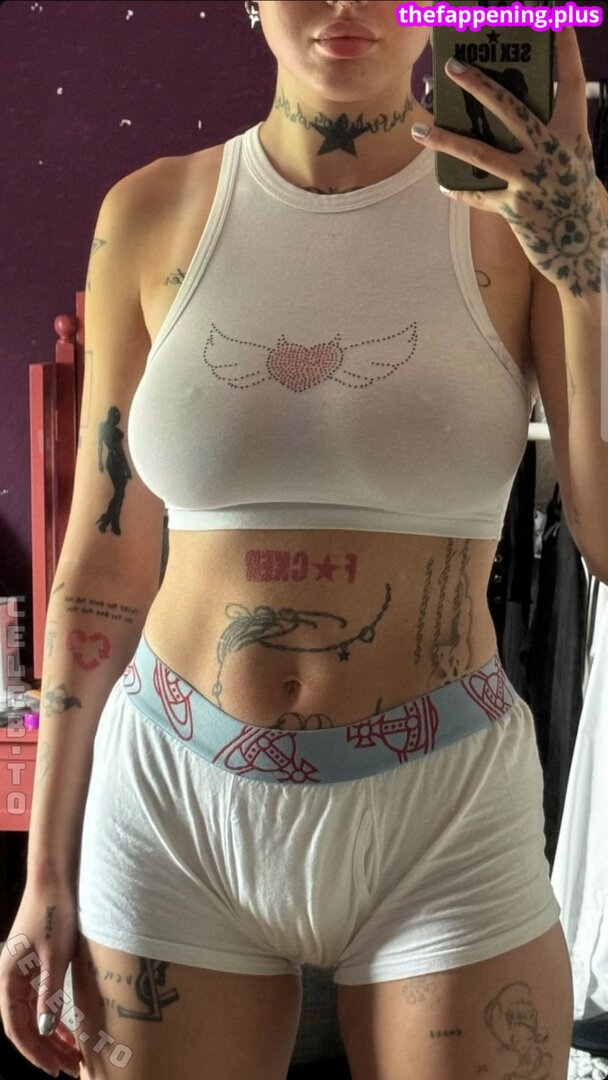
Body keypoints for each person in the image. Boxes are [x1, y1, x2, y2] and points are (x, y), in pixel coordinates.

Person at [2, 1, 607, 1077]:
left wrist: (585, 273)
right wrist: (44, 870)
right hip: (171, 801)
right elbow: (100, 564)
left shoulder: (517, 223)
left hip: (441, 809)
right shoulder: (150, 212)